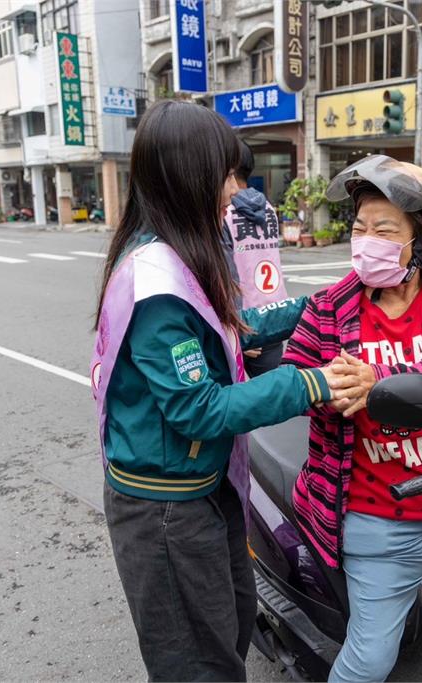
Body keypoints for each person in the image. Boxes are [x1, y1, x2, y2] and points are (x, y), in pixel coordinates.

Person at [91, 101, 353, 682]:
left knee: (230, 622)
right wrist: (312, 382)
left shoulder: (181, 254)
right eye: (227, 176)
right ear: (188, 176)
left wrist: (321, 303)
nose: (236, 192)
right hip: (165, 507)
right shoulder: (156, 283)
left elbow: (233, 329)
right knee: (198, 661)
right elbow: (198, 409)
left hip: (204, 488)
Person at [282, 155, 422, 682]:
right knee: (372, 656)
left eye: (384, 229)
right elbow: (296, 377)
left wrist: (379, 381)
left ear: (421, 238)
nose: (367, 240)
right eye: (360, 228)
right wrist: (326, 390)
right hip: (377, 507)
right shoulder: (328, 309)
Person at [223, 142, 290, 377]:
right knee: (269, 397)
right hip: (273, 314)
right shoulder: (268, 208)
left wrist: (236, 325)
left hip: (243, 320)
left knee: (239, 402)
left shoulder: (224, 212)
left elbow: (225, 272)